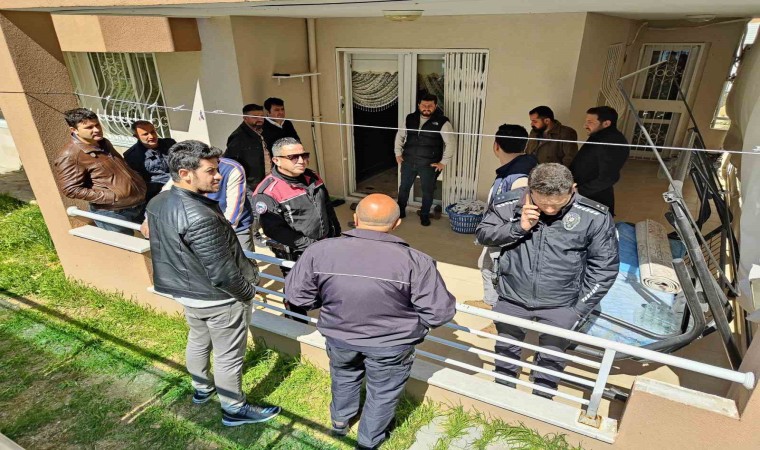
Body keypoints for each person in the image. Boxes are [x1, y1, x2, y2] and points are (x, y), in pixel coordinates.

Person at [285, 193, 456, 450]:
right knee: (383, 392)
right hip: (391, 344)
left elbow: (297, 296)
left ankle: (340, 422)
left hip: (339, 337)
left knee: (343, 375)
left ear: (355, 219)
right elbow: (439, 313)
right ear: (396, 223)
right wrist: (414, 326)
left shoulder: (319, 251)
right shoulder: (416, 261)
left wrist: (328, 303)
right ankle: (369, 441)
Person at [146, 140, 280, 426]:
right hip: (218, 298)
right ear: (185, 174)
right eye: (210, 171)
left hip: (187, 292)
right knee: (228, 356)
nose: (218, 176)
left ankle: (202, 389)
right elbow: (222, 273)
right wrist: (247, 293)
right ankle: (234, 409)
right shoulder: (201, 216)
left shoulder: (158, 202)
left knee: (198, 339)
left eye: (217, 169)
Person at [475, 163, 618, 398]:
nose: (550, 210)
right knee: (506, 349)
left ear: (572, 188)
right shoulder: (507, 203)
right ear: (530, 190)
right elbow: (483, 234)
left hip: (562, 304)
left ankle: (543, 396)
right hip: (512, 297)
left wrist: (578, 309)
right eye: (543, 203)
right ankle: (502, 393)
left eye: (558, 203)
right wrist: (518, 227)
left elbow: (604, 268)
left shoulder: (594, 216)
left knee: (552, 358)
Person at [254, 137, 341, 320]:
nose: (301, 160)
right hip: (295, 253)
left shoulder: (312, 177)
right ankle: (296, 323)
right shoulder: (268, 192)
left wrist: (336, 235)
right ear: (276, 160)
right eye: (293, 157)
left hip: (324, 245)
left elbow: (327, 207)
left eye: (304, 155)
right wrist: (310, 245)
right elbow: (274, 230)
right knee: (297, 292)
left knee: (328, 285)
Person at [53, 108, 147, 235]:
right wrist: (112, 197)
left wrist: (137, 179)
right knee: (128, 246)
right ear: (74, 130)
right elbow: (70, 189)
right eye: (89, 127)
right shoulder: (70, 155)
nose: (96, 129)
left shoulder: (103, 142)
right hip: (113, 213)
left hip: (138, 204)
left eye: (97, 125)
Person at [477, 124, 538, 307]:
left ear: (496, 146)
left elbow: (517, 216)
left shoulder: (519, 178)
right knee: (485, 264)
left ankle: (495, 310)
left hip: (506, 236)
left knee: (495, 271)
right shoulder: (519, 167)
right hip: (499, 230)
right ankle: (489, 301)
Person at [147, 157, 255, 251]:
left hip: (236, 228)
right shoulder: (187, 169)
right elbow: (166, 193)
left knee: (245, 263)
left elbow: (233, 211)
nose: (218, 176)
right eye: (210, 171)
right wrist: (148, 219)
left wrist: (218, 237)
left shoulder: (232, 169)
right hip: (206, 230)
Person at [395, 94, 457, 226]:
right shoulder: (410, 118)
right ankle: (400, 211)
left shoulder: (442, 122)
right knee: (404, 187)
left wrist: (443, 162)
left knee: (427, 191)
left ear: (435, 106)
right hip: (408, 161)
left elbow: (451, 143)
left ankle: (424, 215)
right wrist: (398, 153)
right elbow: (400, 135)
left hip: (429, 164)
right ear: (419, 105)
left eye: (430, 105)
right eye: (424, 105)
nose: (427, 108)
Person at [570, 106, 630, 215]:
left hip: (594, 199)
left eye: (590, 122)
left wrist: (579, 191)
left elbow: (608, 178)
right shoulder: (598, 136)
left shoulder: (613, 142)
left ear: (606, 123)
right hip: (583, 195)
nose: (585, 125)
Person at [123, 120, 176, 203]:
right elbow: (139, 183)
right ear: (136, 136)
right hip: (159, 193)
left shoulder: (170, 144)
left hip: (180, 182)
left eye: (152, 132)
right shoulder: (132, 156)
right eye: (145, 134)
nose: (151, 136)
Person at [225, 103, 270, 191]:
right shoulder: (238, 137)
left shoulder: (263, 131)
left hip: (266, 180)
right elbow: (231, 162)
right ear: (245, 118)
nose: (260, 119)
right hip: (251, 185)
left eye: (262, 116)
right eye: (255, 117)